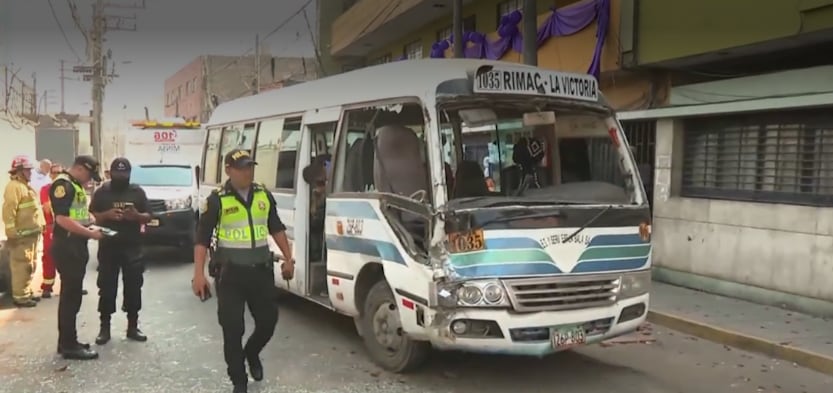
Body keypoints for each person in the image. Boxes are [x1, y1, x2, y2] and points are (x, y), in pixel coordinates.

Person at [192, 149, 294, 393]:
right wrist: (198, 274)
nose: (247, 172)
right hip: (231, 274)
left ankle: (252, 353)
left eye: (250, 167)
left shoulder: (263, 194)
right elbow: (202, 239)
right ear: (228, 170)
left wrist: (289, 259)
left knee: (268, 321)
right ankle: (239, 381)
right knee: (232, 328)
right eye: (242, 168)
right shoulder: (218, 199)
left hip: (260, 271)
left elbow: (276, 227)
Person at [89, 158, 150, 345]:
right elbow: (90, 217)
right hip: (108, 246)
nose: (121, 176)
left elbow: (149, 216)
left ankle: (132, 326)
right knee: (106, 288)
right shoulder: (102, 193)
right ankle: (104, 328)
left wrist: (137, 216)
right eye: (117, 173)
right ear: (111, 173)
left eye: (124, 173)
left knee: (133, 287)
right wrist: (105, 215)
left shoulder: (137, 192)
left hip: (132, 247)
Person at [50, 155, 104, 360]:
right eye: (89, 175)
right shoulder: (63, 185)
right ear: (80, 169)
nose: (89, 180)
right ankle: (68, 345)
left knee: (72, 297)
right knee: (70, 298)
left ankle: (67, 341)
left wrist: (89, 220)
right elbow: (62, 219)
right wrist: (91, 233)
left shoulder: (74, 185)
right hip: (67, 246)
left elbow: (75, 214)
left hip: (75, 244)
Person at [2, 155, 46, 307]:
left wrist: (42, 224)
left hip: (31, 235)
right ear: (19, 171)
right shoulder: (14, 187)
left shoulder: (25, 186)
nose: (30, 173)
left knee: (30, 265)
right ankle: (20, 297)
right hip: (20, 236)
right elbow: (9, 210)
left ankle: (26, 291)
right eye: (27, 170)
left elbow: (34, 210)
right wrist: (11, 230)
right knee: (21, 265)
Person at [39, 163, 62, 298]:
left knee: (68, 257)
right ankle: (47, 286)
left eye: (60, 172)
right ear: (50, 174)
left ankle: (69, 285)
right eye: (54, 173)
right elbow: (47, 208)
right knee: (49, 256)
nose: (57, 175)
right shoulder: (46, 189)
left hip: (66, 227)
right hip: (51, 227)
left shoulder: (69, 188)